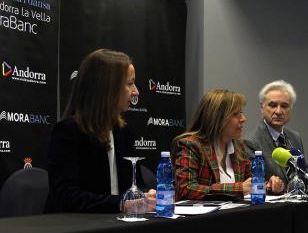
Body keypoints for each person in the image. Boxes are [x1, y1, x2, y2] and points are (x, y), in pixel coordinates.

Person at [44, 49, 156, 213]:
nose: (136, 92)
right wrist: (122, 204)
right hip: (75, 225)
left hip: (117, 223)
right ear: (107, 88)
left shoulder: (124, 132)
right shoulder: (68, 132)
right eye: (129, 83)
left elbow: (136, 184)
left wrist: (147, 196)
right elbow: (66, 197)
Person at [172, 89, 256, 200]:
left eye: (242, 113)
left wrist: (268, 185)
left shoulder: (238, 148)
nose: (243, 119)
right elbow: (186, 189)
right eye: (236, 114)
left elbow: (250, 182)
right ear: (217, 118)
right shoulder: (191, 145)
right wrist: (238, 189)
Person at [244, 80, 305, 189]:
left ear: (291, 108)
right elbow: (253, 185)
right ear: (262, 107)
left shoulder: (295, 137)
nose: (278, 111)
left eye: (284, 106)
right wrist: (270, 186)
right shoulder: (250, 142)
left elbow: (303, 175)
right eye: (272, 105)